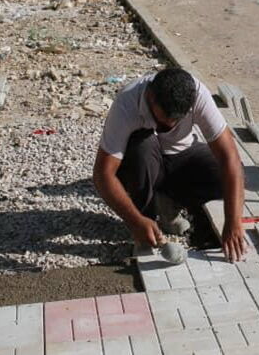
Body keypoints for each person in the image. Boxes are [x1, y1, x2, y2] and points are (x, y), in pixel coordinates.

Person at [93, 68, 247, 262]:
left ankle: (169, 203)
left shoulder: (198, 93)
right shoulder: (126, 103)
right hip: (145, 161)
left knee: (227, 175)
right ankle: (145, 226)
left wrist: (233, 221)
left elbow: (229, 157)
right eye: (162, 123)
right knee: (141, 147)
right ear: (150, 96)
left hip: (181, 155)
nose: (166, 128)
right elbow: (103, 174)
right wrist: (135, 221)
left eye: (174, 123)